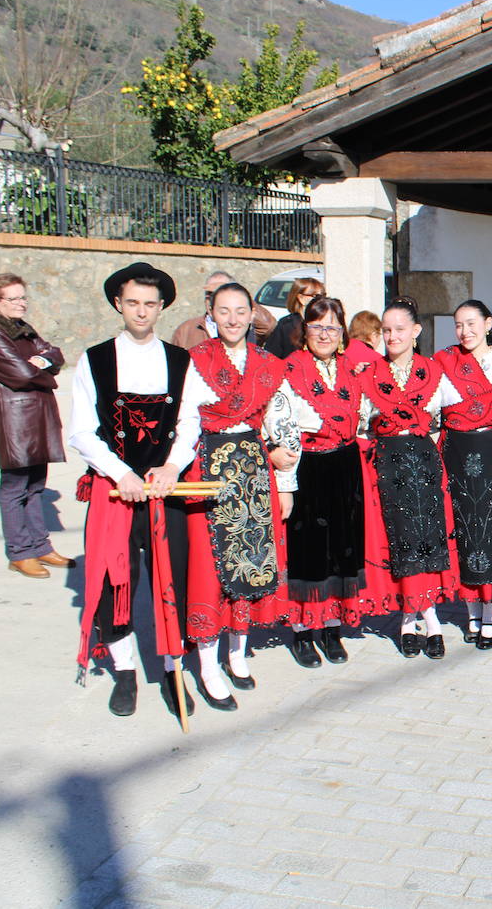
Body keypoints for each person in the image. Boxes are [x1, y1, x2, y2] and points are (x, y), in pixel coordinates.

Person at [70, 262, 202, 718]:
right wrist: (118, 473)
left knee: (174, 580)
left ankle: (172, 667)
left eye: (150, 303)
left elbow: (190, 423)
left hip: (165, 489)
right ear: (117, 304)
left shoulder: (181, 360)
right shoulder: (95, 359)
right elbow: (83, 431)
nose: (141, 311)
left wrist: (170, 466)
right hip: (116, 491)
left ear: (162, 306)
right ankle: (125, 670)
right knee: (115, 582)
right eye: (132, 303)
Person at [180, 282, 294, 707]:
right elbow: (184, 419)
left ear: (252, 314)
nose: (232, 319)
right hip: (207, 468)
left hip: (253, 469)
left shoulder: (269, 364)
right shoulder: (195, 361)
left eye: (240, 310)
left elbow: (283, 429)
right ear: (211, 313)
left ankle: (238, 652)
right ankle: (208, 664)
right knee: (209, 567)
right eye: (223, 311)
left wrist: (285, 483)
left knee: (250, 557)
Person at [267, 296, 374, 667]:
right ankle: (301, 632)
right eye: (317, 326)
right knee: (307, 552)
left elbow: (365, 418)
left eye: (332, 326)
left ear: (342, 331)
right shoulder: (290, 369)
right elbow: (279, 425)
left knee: (340, 549)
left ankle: (331, 627)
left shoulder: (351, 370)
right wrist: (284, 482)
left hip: (344, 465)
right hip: (306, 467)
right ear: (304, 330)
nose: (324, 334)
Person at [358, 299, 452, 660]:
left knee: (426, 544)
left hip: (425, 463)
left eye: (399, 329)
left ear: (416, 332)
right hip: (387, 466)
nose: (392, 336)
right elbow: (360, 425)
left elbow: (448, 418)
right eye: (386, 330)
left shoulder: (433, 371)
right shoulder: (369, 373)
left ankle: (422, 619)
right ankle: (416, 621)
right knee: (400, 545)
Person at [434, 300, 492, 648]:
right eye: (458, 325)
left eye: (471, 323)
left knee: (491, 532)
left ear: (487, 324)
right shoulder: (443, 360)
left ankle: (491, 614)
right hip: (455, 452)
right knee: (463, 532)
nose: (465, 331)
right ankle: (470, 611)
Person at [0, 273, 72, 578]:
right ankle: (19, 553)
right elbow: (20, 375)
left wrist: (43, 362)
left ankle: (39, 546)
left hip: (39, 416)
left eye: (23, 297)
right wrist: (44, 369)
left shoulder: (22, 328)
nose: (22, 304)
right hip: (15, 422)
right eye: (14, 298)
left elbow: (55, 353)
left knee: (36, 486)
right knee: (15, 487)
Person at [171, 271, 275, 349]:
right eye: (209, 294)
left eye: (221, 292)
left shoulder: (242, 326)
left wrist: (241, 296)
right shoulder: (186, 329)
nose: (213, 299)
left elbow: (268, 326)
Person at [263, 277, 325, 359]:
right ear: (301, 298)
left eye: (323, 296)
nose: (322, 300)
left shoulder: (325, 322)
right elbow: (271, 357)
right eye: (316, 296)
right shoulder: (286, 325)